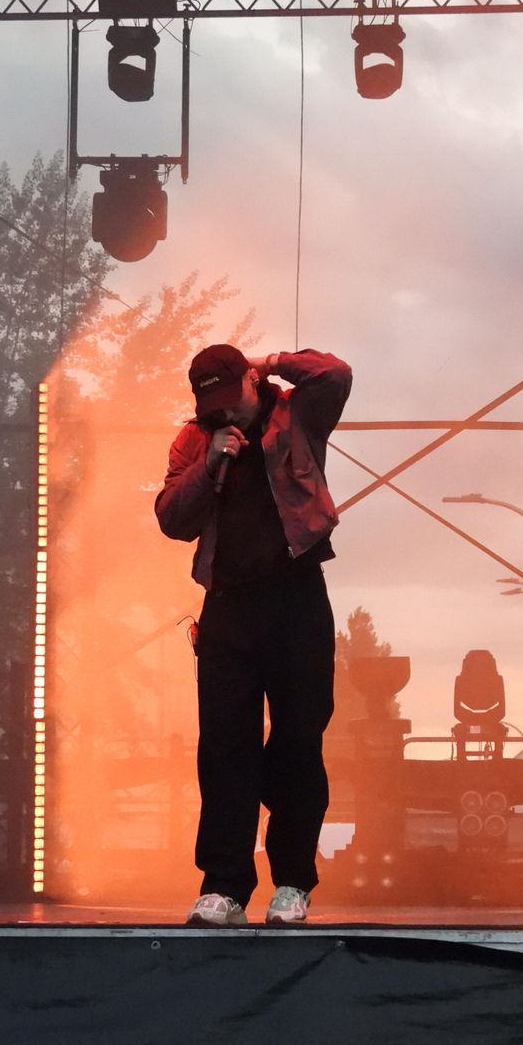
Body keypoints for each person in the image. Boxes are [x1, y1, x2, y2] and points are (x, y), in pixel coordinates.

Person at [155, 344, 351, 926]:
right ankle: (224, 888)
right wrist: (208, 464)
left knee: (298, 741)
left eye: (229, 396)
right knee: (223, 748)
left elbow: (336, 374)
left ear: (249, 378)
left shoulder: (297, 413)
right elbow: (171, 519)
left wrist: (275, 361)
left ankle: (292, 883)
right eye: (210, 404)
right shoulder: (194, 440)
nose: (223, 411)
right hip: (228, 607)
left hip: (297, 598)